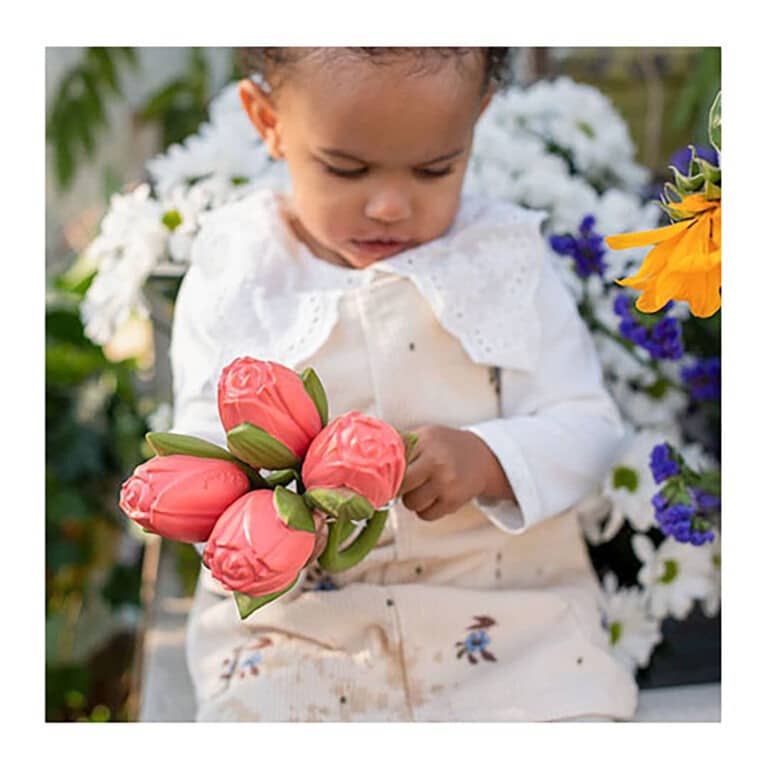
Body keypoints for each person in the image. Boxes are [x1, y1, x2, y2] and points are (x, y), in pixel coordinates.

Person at [170, 46, 638, 722]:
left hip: (504, 623)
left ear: (477, 118)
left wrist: (489, 459)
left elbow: (589, 428)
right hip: (301, 632)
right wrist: (266, 517)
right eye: (346, 168)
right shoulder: (240, 273)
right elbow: (200, 448)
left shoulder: (501, 261)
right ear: (268, 120)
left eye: (434, 169)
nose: (390, 206)